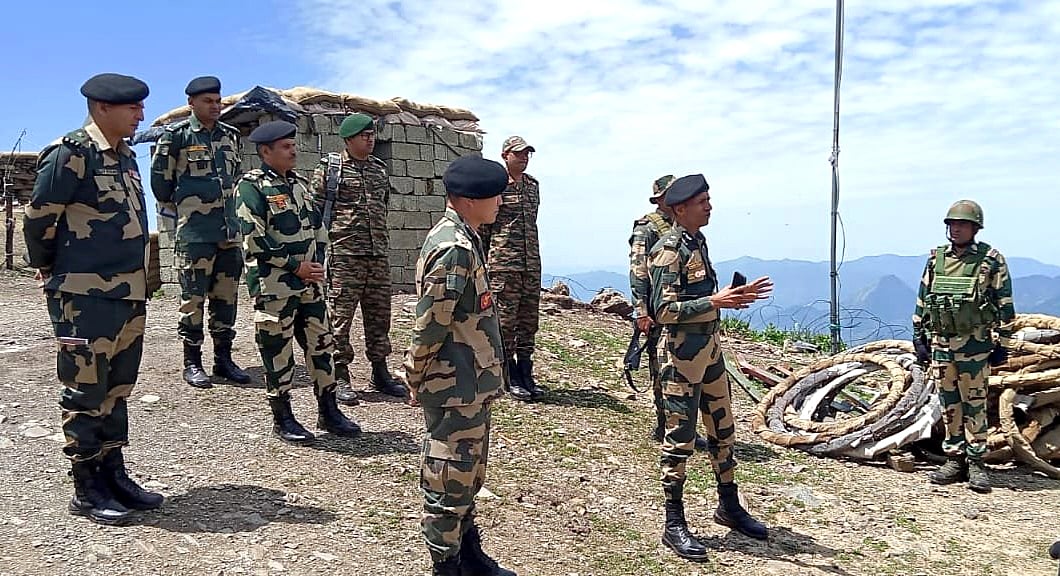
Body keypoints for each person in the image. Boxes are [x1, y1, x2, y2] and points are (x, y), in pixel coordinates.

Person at [24, 73, 163, 525]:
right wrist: (52, 269)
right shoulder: (71, 154)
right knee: (85, 391)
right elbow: (39, 218)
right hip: (83, 295)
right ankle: (86, 487)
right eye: (133, 108)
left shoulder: (124, 157)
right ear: (103, 107)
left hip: (127, 293)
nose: (140, 115)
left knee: (117, 388)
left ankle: (113, 472)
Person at [649, 174, 773, 561]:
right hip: (682, 360)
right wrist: (716, 302)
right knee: (680, 440)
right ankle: (674, 522)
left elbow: (703, 296)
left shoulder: (696, 242)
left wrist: (732, 297)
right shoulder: (669, 250)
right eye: (702, 201)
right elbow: (663, 311)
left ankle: (729, 506)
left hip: (711, 355)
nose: (709, 205)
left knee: (723, 430)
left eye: (709, 198)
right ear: (680, 208)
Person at [404, 155, 517, 576]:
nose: (501, 202)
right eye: (494, 195)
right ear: (469, 200)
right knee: (448, 476)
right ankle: (445, 564)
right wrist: (415, 375)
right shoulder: (453, 247)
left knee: (469, 473)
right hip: (453, 384)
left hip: (471, 381)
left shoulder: (466, 238)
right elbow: (431, 322)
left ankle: (468, 553)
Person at [234, 120, 361, 444]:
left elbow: (318, 227)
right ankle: (283, 416)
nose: (294, 151)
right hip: (275, 286)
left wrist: (317, 264)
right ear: (266, 151)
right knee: (277, 351)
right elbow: (254, 241)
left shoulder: (300, 184)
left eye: (293, 145)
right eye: (286, 147)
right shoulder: (251, 186)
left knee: (322, 345)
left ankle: (328, 410)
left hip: (311, 285)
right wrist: (295, 266)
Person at [150, 75, 249, 388]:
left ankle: (223, 359)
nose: (215, 106)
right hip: (194, 234)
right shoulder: (176, 136)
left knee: (227, 298)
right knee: (193, 300)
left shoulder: (230, 136)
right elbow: (160, 185)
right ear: (191, 103)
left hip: (229, 233)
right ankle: (192, 362)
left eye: (218, 101)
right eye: (208, 101)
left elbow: (235, 178)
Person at [912, 200, 1014, 493]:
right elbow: (924, 297)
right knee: (949, 405)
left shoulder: (991, 260)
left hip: (975, 347)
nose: (956, 229)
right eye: (952, 225)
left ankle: (977, 463)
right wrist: (919, 336)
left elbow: (1005, 305)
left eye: (962, 224)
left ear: (975, 228)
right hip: (942, 345)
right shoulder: (936, 259)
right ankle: (954, 459)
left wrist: (1002, 344)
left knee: (975, 405)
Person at [311, 113, 406, 405]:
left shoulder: (379, 169)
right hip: (345, 255)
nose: (370, 139)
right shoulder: (331, 169)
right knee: (340, 317)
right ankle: (340, 375)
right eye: (364, 135)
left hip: (377, 255)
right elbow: (315, 210)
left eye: (372, 134)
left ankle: (380, 371)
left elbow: (384, 206)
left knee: (380, 317)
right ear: (348, 139)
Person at [629, 174, 708, 450]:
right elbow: (638, 269)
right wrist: (641, 311)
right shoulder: (648, 227)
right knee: (662, 370)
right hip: (659, 309)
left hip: (684, 313)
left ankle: (684, 426)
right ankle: (668, 426)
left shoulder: (684, 228)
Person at [480, 136, 544, 401]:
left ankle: (526, 373)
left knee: (528, 322)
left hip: (530, 264)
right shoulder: (495, 185)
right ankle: (508, 375)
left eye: (527, 154)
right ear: (505, 155)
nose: (524, 158)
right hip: (503, 265)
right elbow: (485, 228)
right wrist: (484, 263)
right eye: (518, 154)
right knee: (505, 323)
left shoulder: (532, 186)